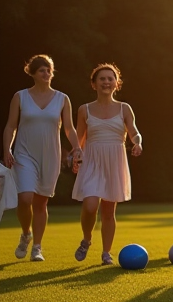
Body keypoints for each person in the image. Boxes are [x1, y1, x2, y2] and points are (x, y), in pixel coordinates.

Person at [2, 54, 80, 262]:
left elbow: (70, 129)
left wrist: (77, 148)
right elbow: (11, 126)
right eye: (42, 70)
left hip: (50, 155)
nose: (47, 73)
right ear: (33, 73)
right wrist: (7, 150)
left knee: (41, 203)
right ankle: (26, 233)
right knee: (25, 197)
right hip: (24, 153)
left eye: (49, 69)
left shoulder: (62, 99)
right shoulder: (20, 96)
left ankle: (37, 247)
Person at [72, 64, 142, 265]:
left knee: (109, 211)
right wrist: (76, 154)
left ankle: (106, 253)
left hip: (115, 159)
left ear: (116, 83)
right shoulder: (84, 109)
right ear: (94, 84)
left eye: (110, 78)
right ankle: (86, 239)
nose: (106, 82)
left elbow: (134, 131)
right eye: (102, 79)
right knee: (90, 205)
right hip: (92, 160)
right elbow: (80, 138)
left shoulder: (124, 108)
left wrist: (138, 142)